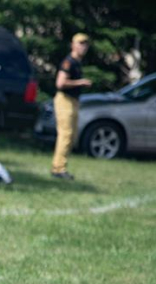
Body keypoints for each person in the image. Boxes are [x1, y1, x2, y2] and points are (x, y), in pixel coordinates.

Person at [51, 33, 92, 180]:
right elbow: (60, 83)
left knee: (71, 136)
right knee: (65, 134)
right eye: (80, 43)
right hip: (65, 100)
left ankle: (61, 166)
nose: (83, 47)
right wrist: (80, 82)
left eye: (85, 44)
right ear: (73, 45)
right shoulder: (69, 62)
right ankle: (58, 168)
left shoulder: (77, 62)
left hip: (73, 100)